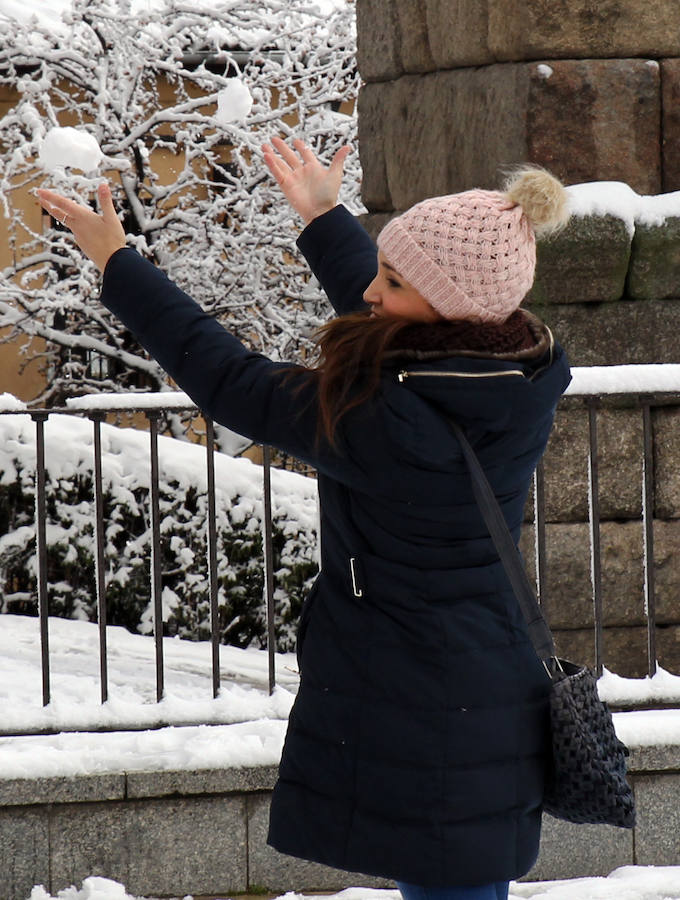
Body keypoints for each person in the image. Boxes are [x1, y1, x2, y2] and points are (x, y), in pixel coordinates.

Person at [36, 137, 571, 900]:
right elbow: (407, 312)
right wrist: (324, 217)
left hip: (427, 695)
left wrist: (120, 264)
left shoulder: (385, 423)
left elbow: (229, 380)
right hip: (482, 676)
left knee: (452, 888)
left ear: (446, 309)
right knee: (463, 878)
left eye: (390, 280)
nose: (373, 294)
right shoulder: (516, 368)